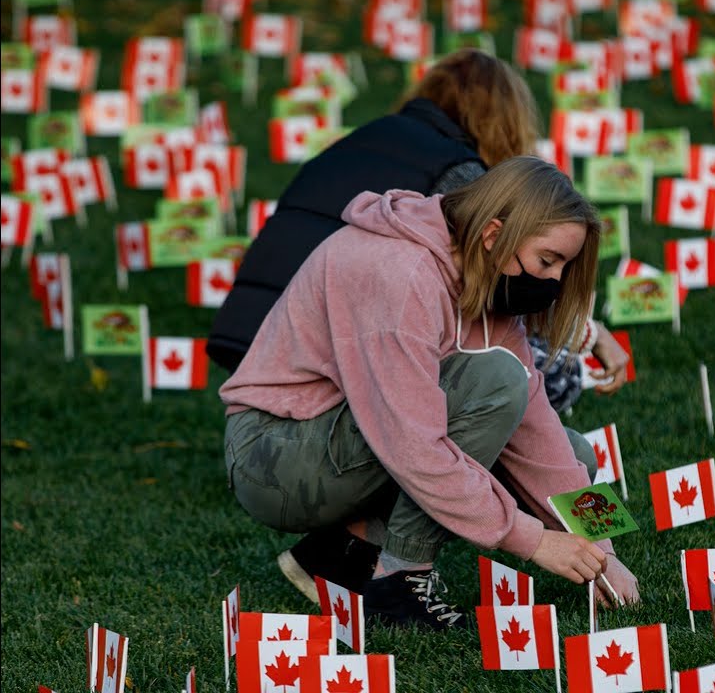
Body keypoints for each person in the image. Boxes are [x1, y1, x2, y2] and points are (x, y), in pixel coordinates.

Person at [208, 49, 631, 600]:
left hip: (345, 435)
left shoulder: (484, 278)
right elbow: (414, 446)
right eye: (547, 261)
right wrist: (535, 541)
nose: (551, 282)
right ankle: (401, 576)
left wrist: (603, 549)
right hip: (273, 454)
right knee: (493, 383)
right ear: (493, 233)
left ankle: (337, 554)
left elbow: (536, 426)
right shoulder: (401, 274)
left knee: (572, 452)